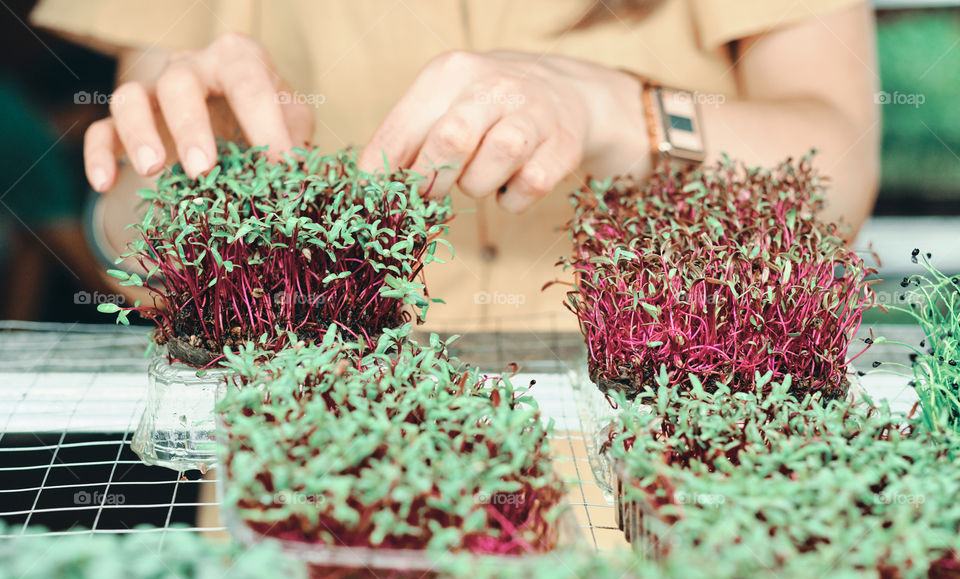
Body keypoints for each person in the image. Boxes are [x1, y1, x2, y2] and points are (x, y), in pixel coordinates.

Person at [31, 0, 879, 333]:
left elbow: (839, 174)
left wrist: (617, 111)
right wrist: (183, 180)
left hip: (669, 480)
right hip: (312, 483)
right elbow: (128, 239)